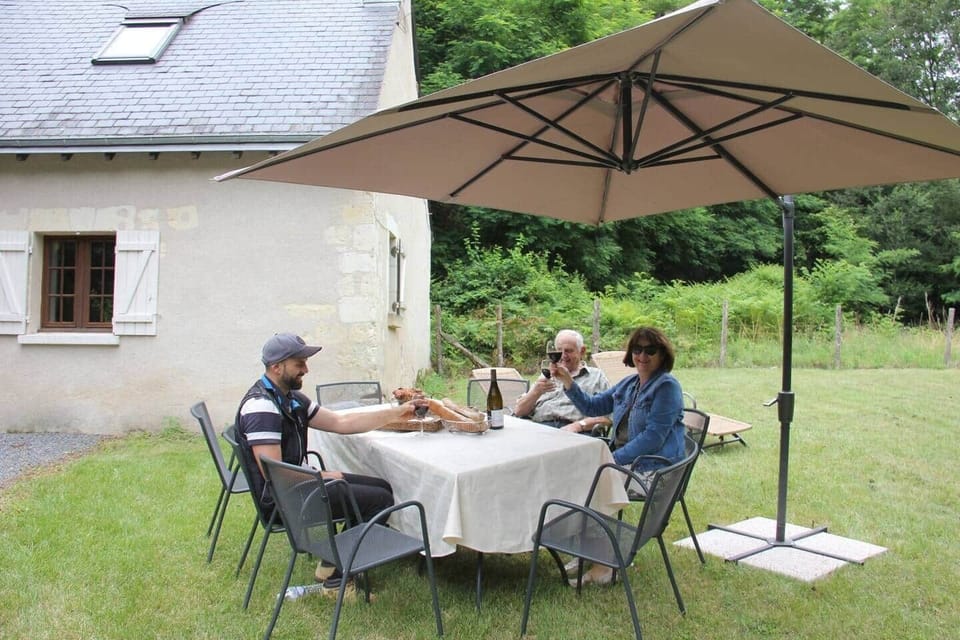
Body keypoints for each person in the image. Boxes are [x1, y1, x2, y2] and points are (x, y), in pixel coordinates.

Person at [236, 332, 423, 591]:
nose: (306, 369)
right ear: (276, 367)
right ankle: (336, 581)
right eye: (299, 363)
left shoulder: (290, 399)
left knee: (382, 488)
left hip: (300, 488)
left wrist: (397, 412)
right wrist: (324, 477)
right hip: (286, 502)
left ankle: (331, 563)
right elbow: (274, 474)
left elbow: (340, 422)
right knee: (378, 501)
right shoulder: (261, 408)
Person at [550, 326, 686, 586]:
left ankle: (603, 564)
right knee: (579, 476)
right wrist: (568, 381)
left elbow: (653, 438)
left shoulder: (667, 387)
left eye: (650, 350)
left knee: (592, 484)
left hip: (654, 469)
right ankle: (590, 548)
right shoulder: (630, 383)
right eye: (637, 349)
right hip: (630, 462)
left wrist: (612, 459)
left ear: (662, 354)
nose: (642, 356)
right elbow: (593, 406)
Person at [513, 329, 612, 433]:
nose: (563, 356)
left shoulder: (596, 376)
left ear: (582, 351)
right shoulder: (546, 376)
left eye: (569, 351)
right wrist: (535, 392)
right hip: (540, 429)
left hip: (577, 433)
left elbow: (608, 417)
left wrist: (579, 425)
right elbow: (519, 411)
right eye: (559, 351)